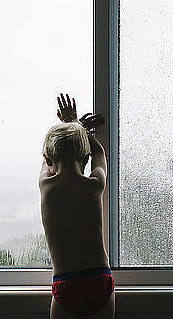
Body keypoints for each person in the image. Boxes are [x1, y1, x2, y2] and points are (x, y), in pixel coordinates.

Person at [39, 93, 115, 319]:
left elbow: (45, 158)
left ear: (50, 160)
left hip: (65, 282)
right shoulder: (94, 185)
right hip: (98, 279)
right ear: (85, 158)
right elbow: (100, 153)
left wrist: (73, 125)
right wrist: (77, 127)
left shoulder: (46, 186)